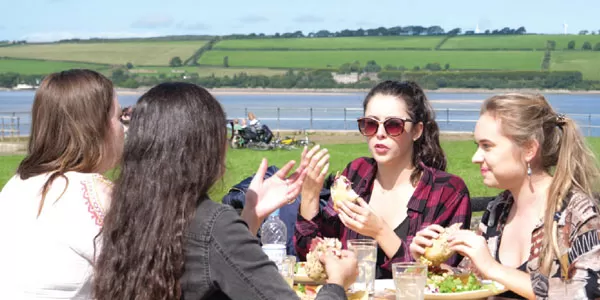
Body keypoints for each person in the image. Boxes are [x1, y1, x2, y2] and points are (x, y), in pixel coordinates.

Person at [93, 82, 358, 300]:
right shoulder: (213, 223)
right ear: (204, 148)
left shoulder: (128, 213)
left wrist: (251, 217)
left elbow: (214, 267)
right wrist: (336, 282)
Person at [410, 93, 600, 299]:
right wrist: (429, 264)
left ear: (529, 149)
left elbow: (584, 293)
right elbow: (472, 284)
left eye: (487, 146)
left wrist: (493, 268)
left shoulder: (577, 213)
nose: (476, 158)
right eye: (477, 146)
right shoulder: (498, 209)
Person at [295, 80, 472, 279]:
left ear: (417, 131)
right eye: (370, 124)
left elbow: (437, 278)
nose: (379, 134)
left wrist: (380, 232)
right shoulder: (356, 173)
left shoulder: (447, 191)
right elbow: (310, 255)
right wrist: (310, 195)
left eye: (393, 125)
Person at [0, 69, 124, 299]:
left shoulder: (17, 185)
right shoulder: (98, 193)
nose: (123, 130)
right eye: (118, 117)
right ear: (95, 127)